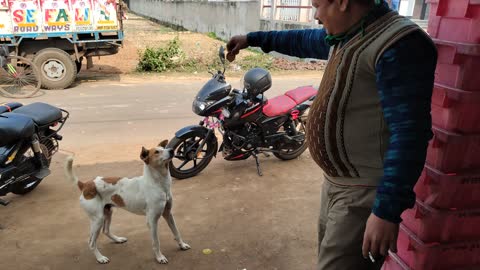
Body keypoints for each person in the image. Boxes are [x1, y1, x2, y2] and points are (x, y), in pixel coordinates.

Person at [226, 0, 437, 269]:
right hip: (337, 184)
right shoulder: (350, 33)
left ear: (342, 2)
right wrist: (251, 39)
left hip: (364, 195)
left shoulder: (399, 44)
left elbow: (410, 134)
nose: (315, 16)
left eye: (317, 5)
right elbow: (301, 40)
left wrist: (386, 211)